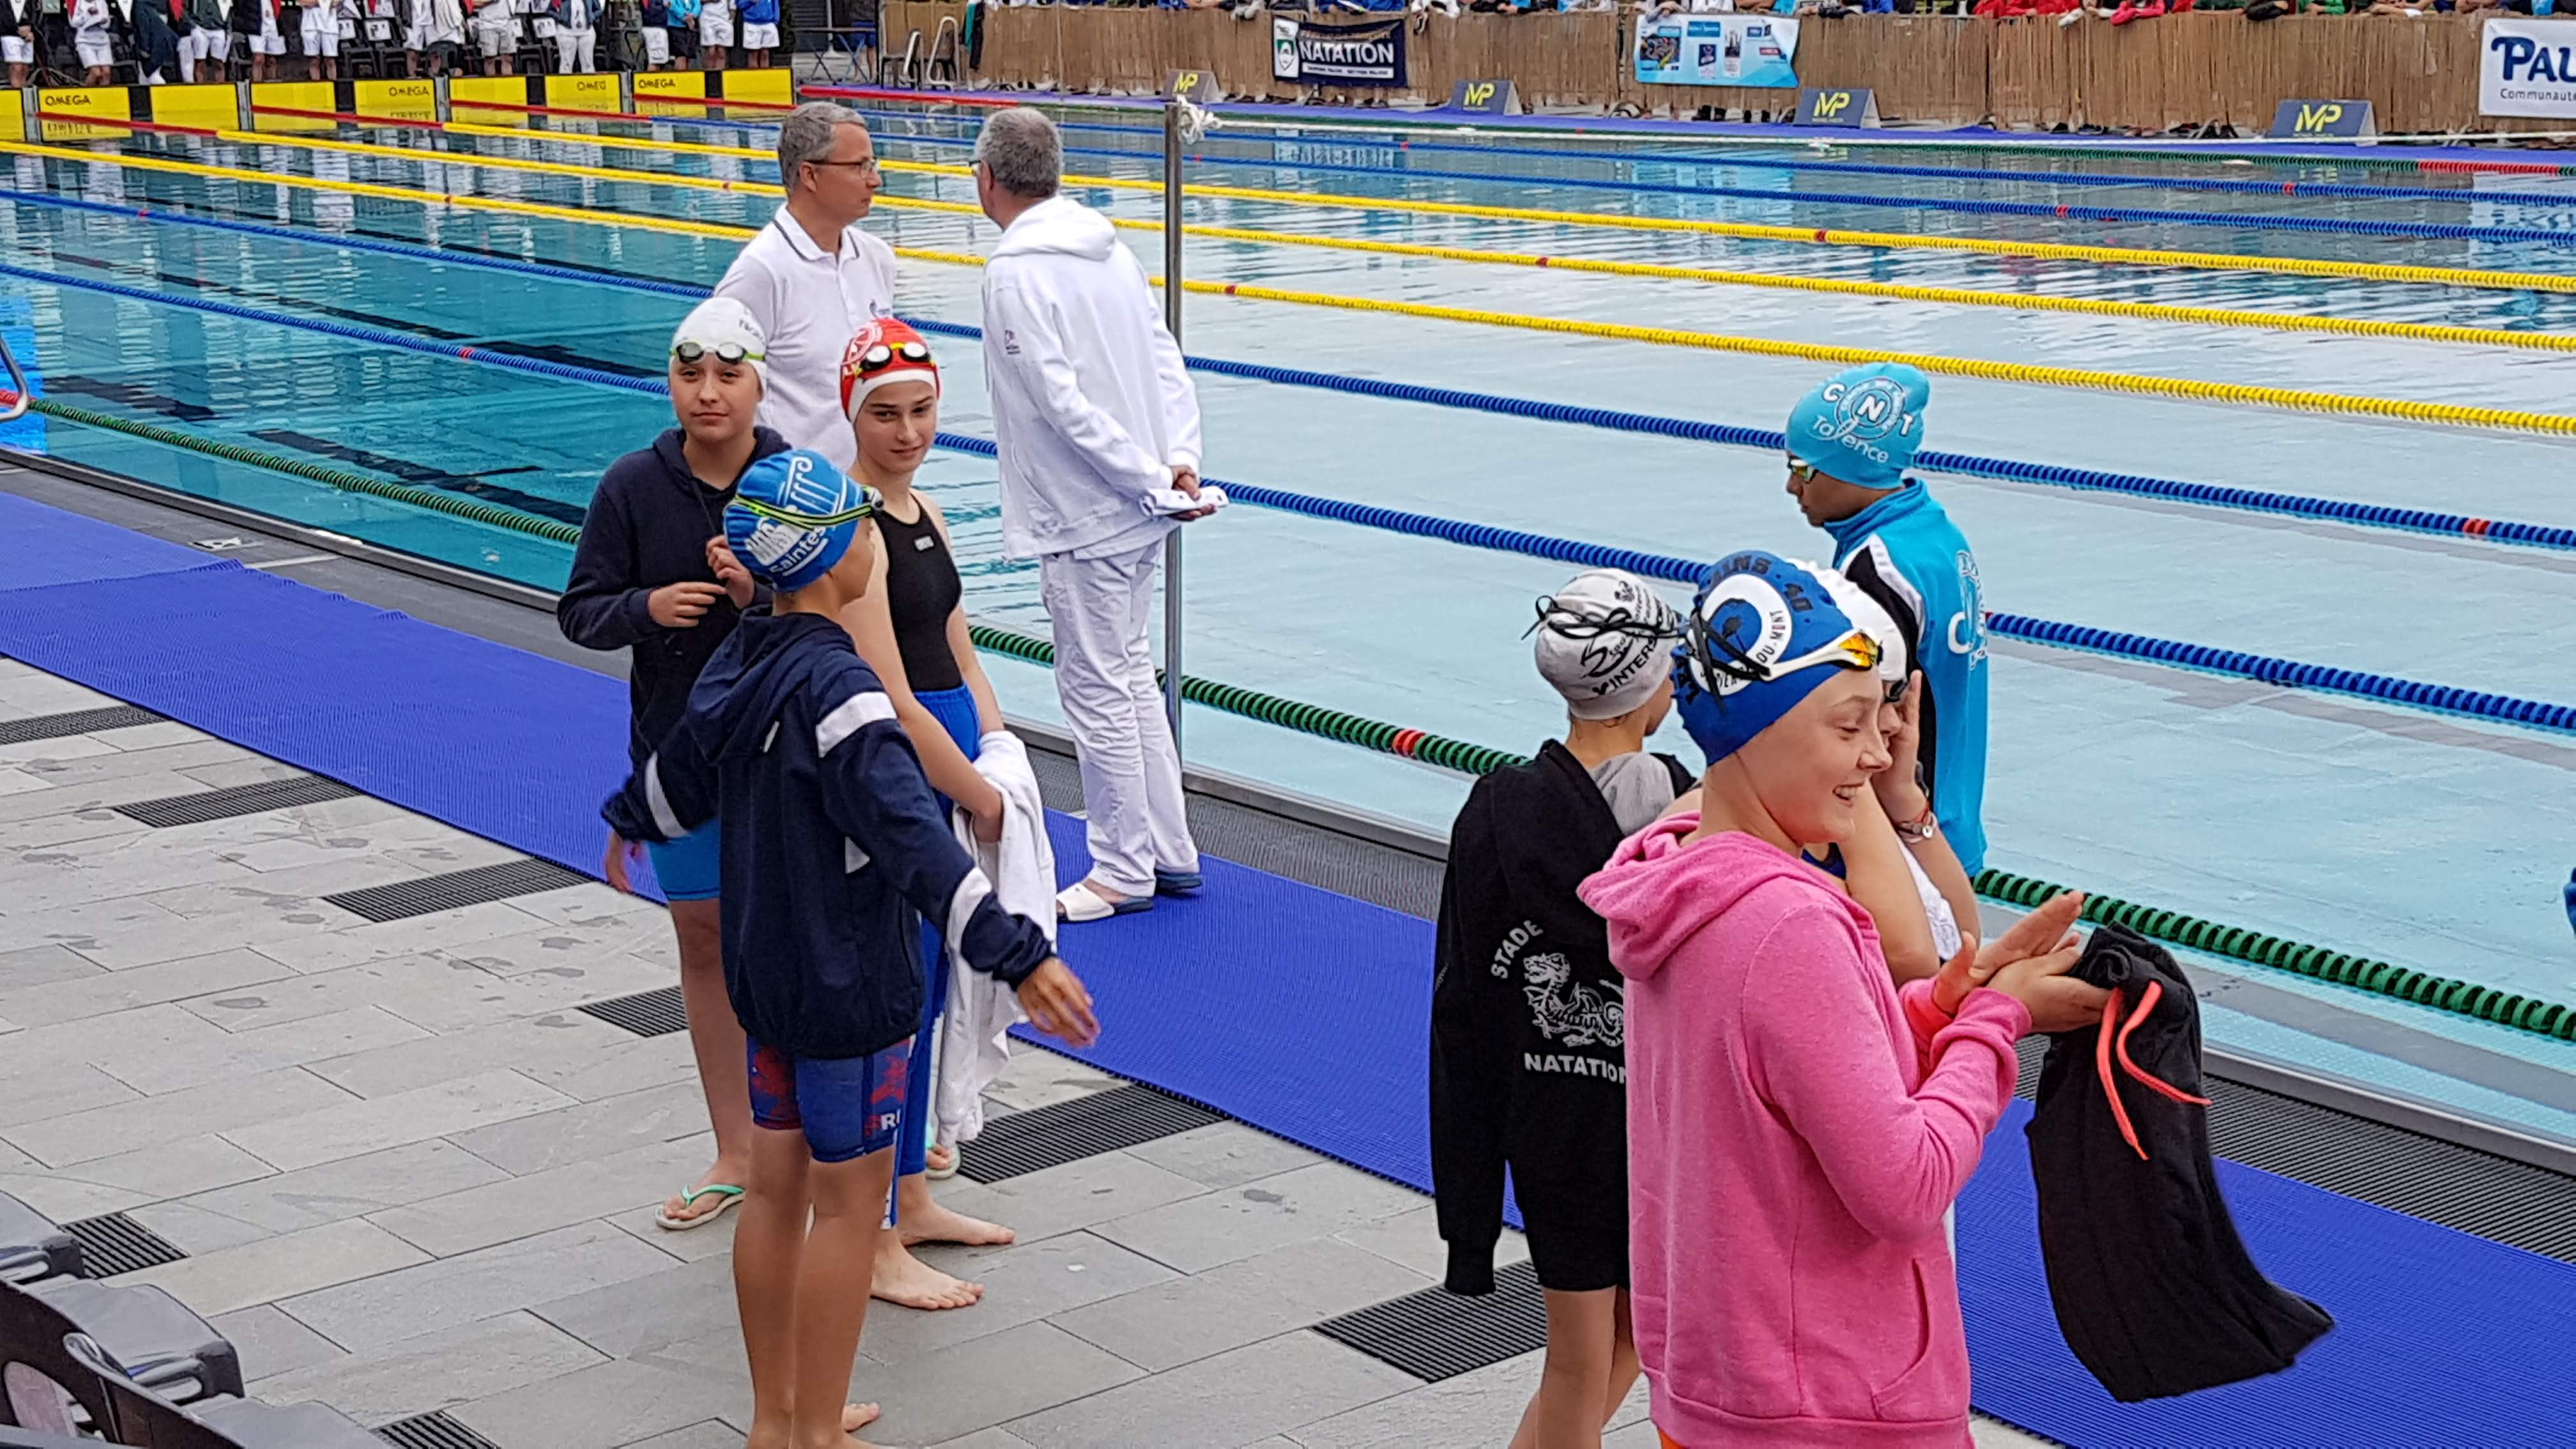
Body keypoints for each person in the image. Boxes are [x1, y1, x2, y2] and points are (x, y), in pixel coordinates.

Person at [601, 447, 1098, 1449]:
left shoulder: (742, 656)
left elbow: (679, 770)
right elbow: (918, 846)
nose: (878, 537)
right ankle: (818, 1433)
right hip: (850, 989)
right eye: (862, 524)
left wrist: (630, 818)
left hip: (767, 975)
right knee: (847, 1208)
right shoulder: (849, 697)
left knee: (774, 1191)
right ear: (834, 558)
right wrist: (1019, 953)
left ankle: (775, 1421)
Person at [1578, 551, 2105, 1449]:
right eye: (1848, 724)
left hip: (1722, 1388)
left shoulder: (1679, 884)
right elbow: (1906, 1187)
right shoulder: (1787, 926)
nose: (1878, 754)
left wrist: (1938, 1012)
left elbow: (1773, 1085)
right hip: (1828, 1407)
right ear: (1762, 729)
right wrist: (1998, 1022)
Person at [1432, 569, 1688, 1449]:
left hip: (1547, 1117)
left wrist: (1470, 1191)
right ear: (1650, 686)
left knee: (1602, 1349)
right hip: (1656, 1122)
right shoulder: (1688, 811)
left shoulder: (1495, 812)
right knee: (1609, 1350)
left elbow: (1462, 996)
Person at [559, 299, 789, 1237]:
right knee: (703, 941)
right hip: (677, 760)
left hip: (780, 760)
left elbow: (842, 607)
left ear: (759, 385)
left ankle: (812, 1138)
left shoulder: (793, 483)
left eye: (728, 376)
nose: (708, 393)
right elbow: (580, 611)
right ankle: (736, 1151)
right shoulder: (631, 487)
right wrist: (646, 610)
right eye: (691, 376)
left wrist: (758, 593)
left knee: (785, 941)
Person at [972, 105, 1209, 924]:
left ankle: (1120, 869)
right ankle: (1169, 847)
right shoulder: (1111, 251)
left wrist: (1150, 477)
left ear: (986, 180)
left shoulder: (1013, 274)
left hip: (1087, 512)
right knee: (1131, 675)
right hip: (1140, 504)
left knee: (1098, 690)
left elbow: (1058, 402)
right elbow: (1167, 362)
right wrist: (1178, 461)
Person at [834, 319, 1029, 1312]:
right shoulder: (855, 532)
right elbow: (895, 697)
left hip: (955, 765)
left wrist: (1001, 748)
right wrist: (976, 791)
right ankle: (870, 1236)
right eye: (885, 414)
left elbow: (960, 653)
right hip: (907, 778)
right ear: (852, 415)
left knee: (934, 991)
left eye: (920, 411)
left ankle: (910, 1197)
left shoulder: (927, 513)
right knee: (896, 997)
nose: (907, 432)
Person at [1783, 362, 1991, 876]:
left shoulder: (1877, 568)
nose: (1791, 486)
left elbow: (1867, 721)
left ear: (1852, 467)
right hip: (1948, 821)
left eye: (1802, 468)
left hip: (1904, 837)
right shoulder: (1935, 535)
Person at [713, 102, 896, 475]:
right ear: (810, 175)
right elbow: (715, 398)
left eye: (873, 164)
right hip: (792, 497)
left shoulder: (876, 258)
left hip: (868, 494)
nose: (875, 180)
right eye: (859, 166)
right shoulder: (761, 273)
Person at [180, 0, 228, 79]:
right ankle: (201, 85)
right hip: (199, 27)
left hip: (219, 28)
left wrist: (228, 28)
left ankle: (220, 85)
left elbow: (230, 9)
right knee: (200, 61)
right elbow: (183, 8)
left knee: (219, 62)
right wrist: (192, 24)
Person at [70, 0, 113, 80]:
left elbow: (107, 25)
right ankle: (88, 88)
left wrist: (103, 21)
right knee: (96, 73)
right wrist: (85, 15)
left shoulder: (102, 2)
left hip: (102, 41)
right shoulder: (78, 3)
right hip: (85, 41)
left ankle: (102, 89)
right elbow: (74, 23)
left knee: (107, 73)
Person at [549, 0, 594, 68]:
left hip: (586, 32)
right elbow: (550, 10)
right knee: (566, 63)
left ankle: (588, 75)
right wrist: (561, 18)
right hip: (566, 32)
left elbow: (598, 10)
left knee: (587, 62)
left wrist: (592, 17)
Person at [469, 0, 512, 72]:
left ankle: (508, 79)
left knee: (508, 59)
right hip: (487, 25)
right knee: (490, 59)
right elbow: (473, 2)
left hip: (506, 24)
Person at [296, 0, 337, 75]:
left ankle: (333, 82)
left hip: (330, 26)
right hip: (310, 26)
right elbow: (303, 2)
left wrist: (316, 3)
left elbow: (336, 2)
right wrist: (325, 3)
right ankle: (316, 82)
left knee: (330, 60)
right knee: (314, 61)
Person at [2, 0, 31, 88]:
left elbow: (32, 11)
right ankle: (17, 90)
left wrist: (31, 27)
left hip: (28, 33)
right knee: (17, 67)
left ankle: (23, 90)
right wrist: (17, 28)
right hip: (9, 33)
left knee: (24, 68)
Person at [738, 0, 774, 64]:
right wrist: (750, 1)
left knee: (765, 53)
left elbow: (775, 5)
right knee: (753, 53)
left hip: (768, 23)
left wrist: (776, 20)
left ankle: (765, 71)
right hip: (751, 23)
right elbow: (740, 5)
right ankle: (753, 71)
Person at [696, 0, 725, 66]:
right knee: (711, 51)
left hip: (724, 19)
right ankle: (709, 72)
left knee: (721, 51)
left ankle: (719, 72)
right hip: (707, 19)